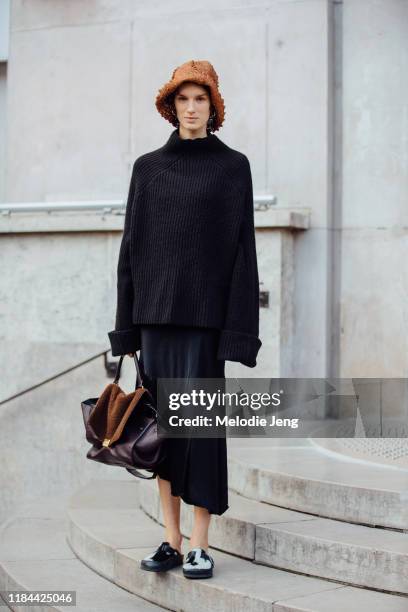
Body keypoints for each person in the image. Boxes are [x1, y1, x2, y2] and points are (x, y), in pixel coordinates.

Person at [108, 59, 261, 579]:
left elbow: (244, 250)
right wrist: (126, 328)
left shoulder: (233, 166)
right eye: (183, 99)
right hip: (155, 319)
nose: (191, 108)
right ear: (170, 106)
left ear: (213, 107)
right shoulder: (147, 168)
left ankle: (200, 542)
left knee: (199, 433)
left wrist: (238, 330)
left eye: (201, 99)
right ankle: (170, 540)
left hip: (205, 324)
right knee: (162, 433)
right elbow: (131, 250)